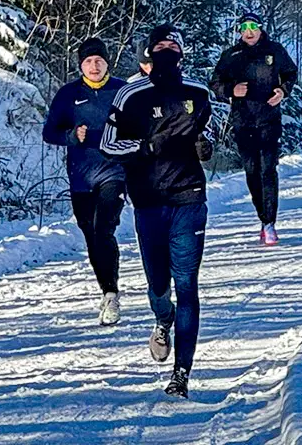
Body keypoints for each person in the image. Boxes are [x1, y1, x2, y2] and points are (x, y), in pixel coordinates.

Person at [100, 24, 212, 399]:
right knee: (159, 285)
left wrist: (202, 146)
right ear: (148, 54)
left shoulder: (198, 92)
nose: (166, 51)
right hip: (148, 199)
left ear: (181, 53)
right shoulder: (131, 94)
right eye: (159, 46)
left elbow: (205, 135)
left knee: (187, 285)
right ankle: (162, 318)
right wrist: (148, 145)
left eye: (173, 45)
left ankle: (181, 374)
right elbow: (108, 145)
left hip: (189, 196)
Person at [43, 37, 128, 325]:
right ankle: (106, 288)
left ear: (107, 63)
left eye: (99, 61)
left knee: (104, 228)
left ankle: (111, 294)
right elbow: (49, 132)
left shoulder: (120, 90)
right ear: (81, 65)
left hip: (113, 172)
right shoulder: (69, 94)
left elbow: (139, 126)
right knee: (91, 234)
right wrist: (71, 136)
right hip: (81, 176)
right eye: (89, 61)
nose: (94, 66)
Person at [210, 11, 297, 246]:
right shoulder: (232, 55)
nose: (249, 33)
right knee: (252, 171)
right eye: (244, 28)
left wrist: (283, 91)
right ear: (239, 32)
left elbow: (290, 73)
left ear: (260, 29)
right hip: (243, 119)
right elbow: (215, 83)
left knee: (268, 169)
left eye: (253, 28)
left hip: (269, 118)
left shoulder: (274, 50)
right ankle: (262, 216)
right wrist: (230, 91)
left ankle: (270, 222)